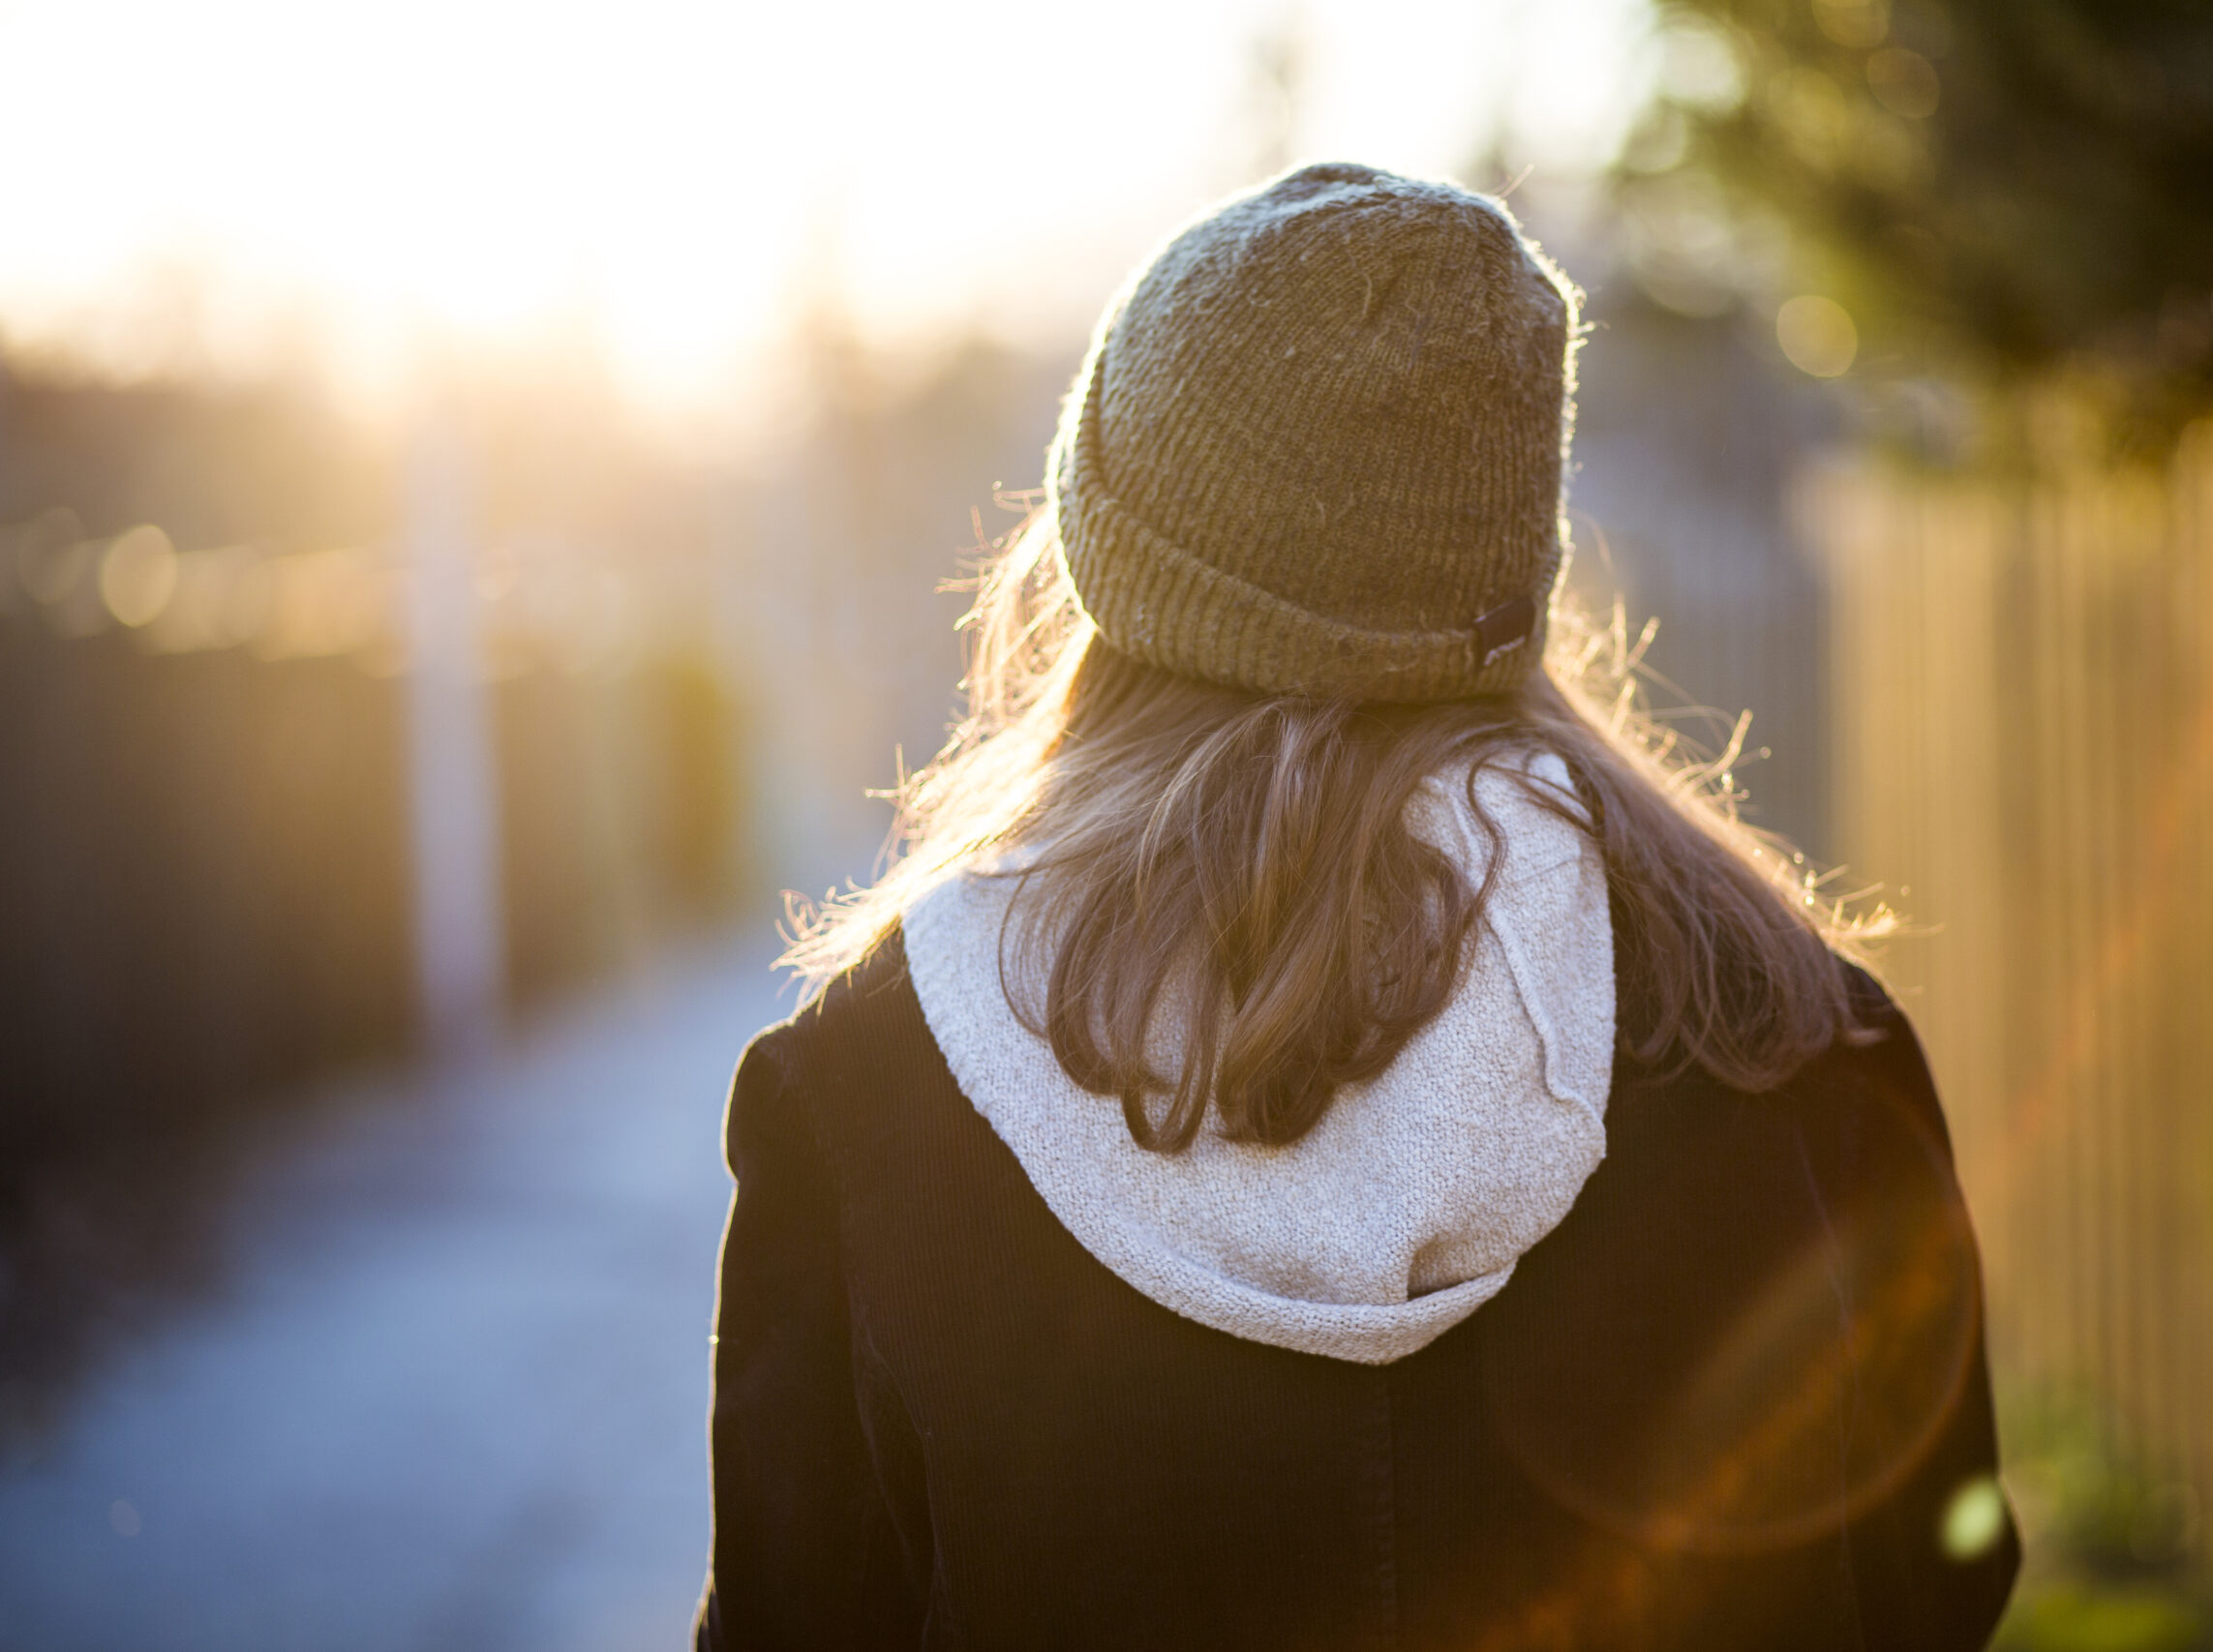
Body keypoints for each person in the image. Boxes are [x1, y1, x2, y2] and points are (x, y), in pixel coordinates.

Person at [693, 162, 2018, 1651]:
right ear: (1506, 564)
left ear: (1107, 569)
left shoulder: (871, 1083)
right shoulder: (1790, 1036)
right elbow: (1935, 1587)